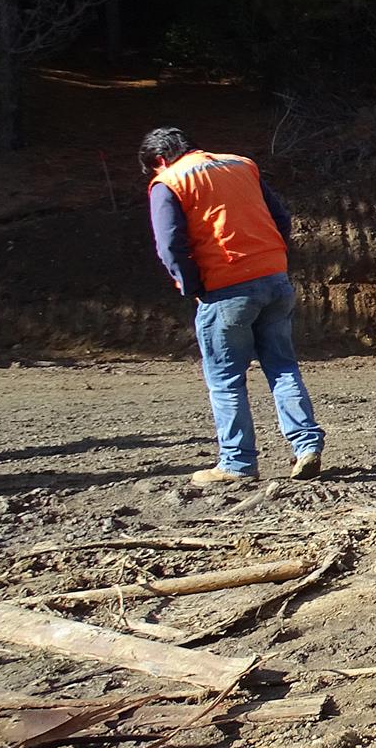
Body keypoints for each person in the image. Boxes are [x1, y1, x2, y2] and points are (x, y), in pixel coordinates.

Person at [139, 127, 325, 485]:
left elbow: (170, 246)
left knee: (226, 379)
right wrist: (271, 260)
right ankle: (306, 447)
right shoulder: (241, 165)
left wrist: (193, 287)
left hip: (225, 288)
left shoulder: (170, 182)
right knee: (283, 367)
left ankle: (237, 464)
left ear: (159, 160)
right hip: (274, 279)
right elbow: (281, 219)